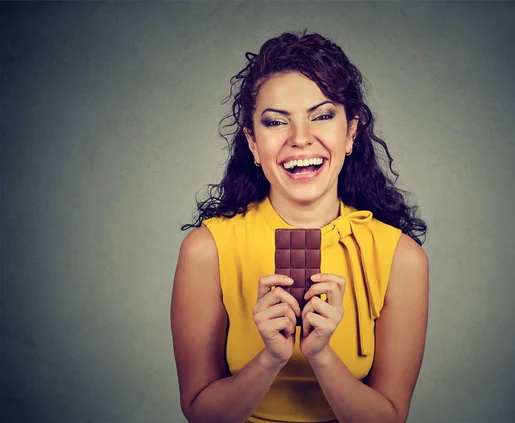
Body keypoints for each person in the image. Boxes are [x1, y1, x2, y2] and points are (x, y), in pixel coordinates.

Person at [171, 31, 429, 423]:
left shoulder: (401, 258)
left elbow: (389, 417)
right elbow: (200, 414)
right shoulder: (207, 250)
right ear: (254, 144)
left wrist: (321, 355)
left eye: (322, 116)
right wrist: (271, 358)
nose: (300, 139)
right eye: (276, 122)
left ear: (351, 132)